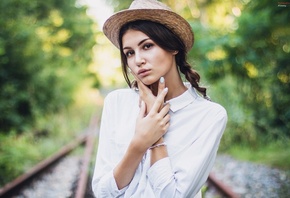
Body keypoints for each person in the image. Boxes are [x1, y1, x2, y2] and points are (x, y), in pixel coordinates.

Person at [92, 0, 227, 197]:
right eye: (129, 53)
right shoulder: (117, 103)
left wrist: (156, 139)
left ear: (173, 47)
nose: (137, 60)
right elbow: (102, 192)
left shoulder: (209, 116)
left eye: (147, 46)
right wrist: (139, 144)